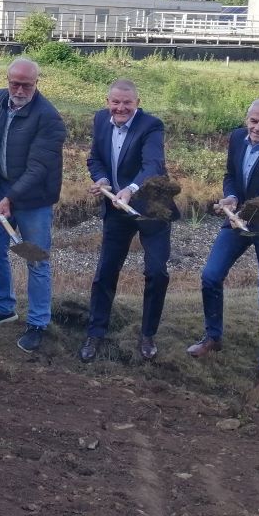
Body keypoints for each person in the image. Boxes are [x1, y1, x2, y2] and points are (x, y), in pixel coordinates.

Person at [187, 98, 259, 399]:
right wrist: (231, 197)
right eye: (254, 121)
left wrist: (244, 213)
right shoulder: (237, 138)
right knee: (210, 275)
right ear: (246, 119)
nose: (258, 128)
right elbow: (230, 176)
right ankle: (213, 337)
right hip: (239, 220)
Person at [81, 78, 178, 362]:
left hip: (151, 207)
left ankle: (147, 335)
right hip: (116, 209)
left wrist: (130, 189)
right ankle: (95, 332)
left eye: (127, 103)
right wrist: (101, 180)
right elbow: (94, 159)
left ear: (137, 103)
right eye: (115, 102)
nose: (120, 108)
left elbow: (153, 165)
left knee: (156, 272)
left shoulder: (151, 126)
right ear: (107, 101)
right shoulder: (100, 120)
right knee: (105, 272)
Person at [0, 58, 66, 353]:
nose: (19, 89)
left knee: (35, 259)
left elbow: (39, 166)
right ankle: (4, 308)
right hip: (1, 190)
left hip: (33, 199)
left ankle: (38, 323)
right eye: (14, 83)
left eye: (26, 84)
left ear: (36, 83)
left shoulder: (48, 118)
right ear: (7, 80)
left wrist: (10, 198)